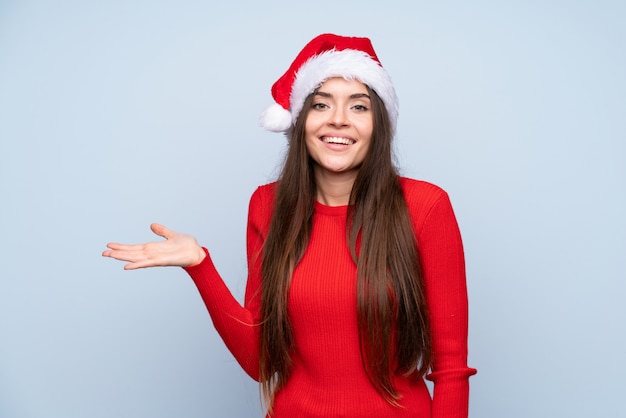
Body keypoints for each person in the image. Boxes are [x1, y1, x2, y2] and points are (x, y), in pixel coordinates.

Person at [103, 33, 476, 418]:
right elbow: (260, 362)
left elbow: (451, 369)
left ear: (379, 124)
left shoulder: (426, 207)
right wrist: (200, 265)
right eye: (321, 104)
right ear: (300, 120)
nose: (339, 120)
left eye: (359, 106)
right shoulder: (267, 205)